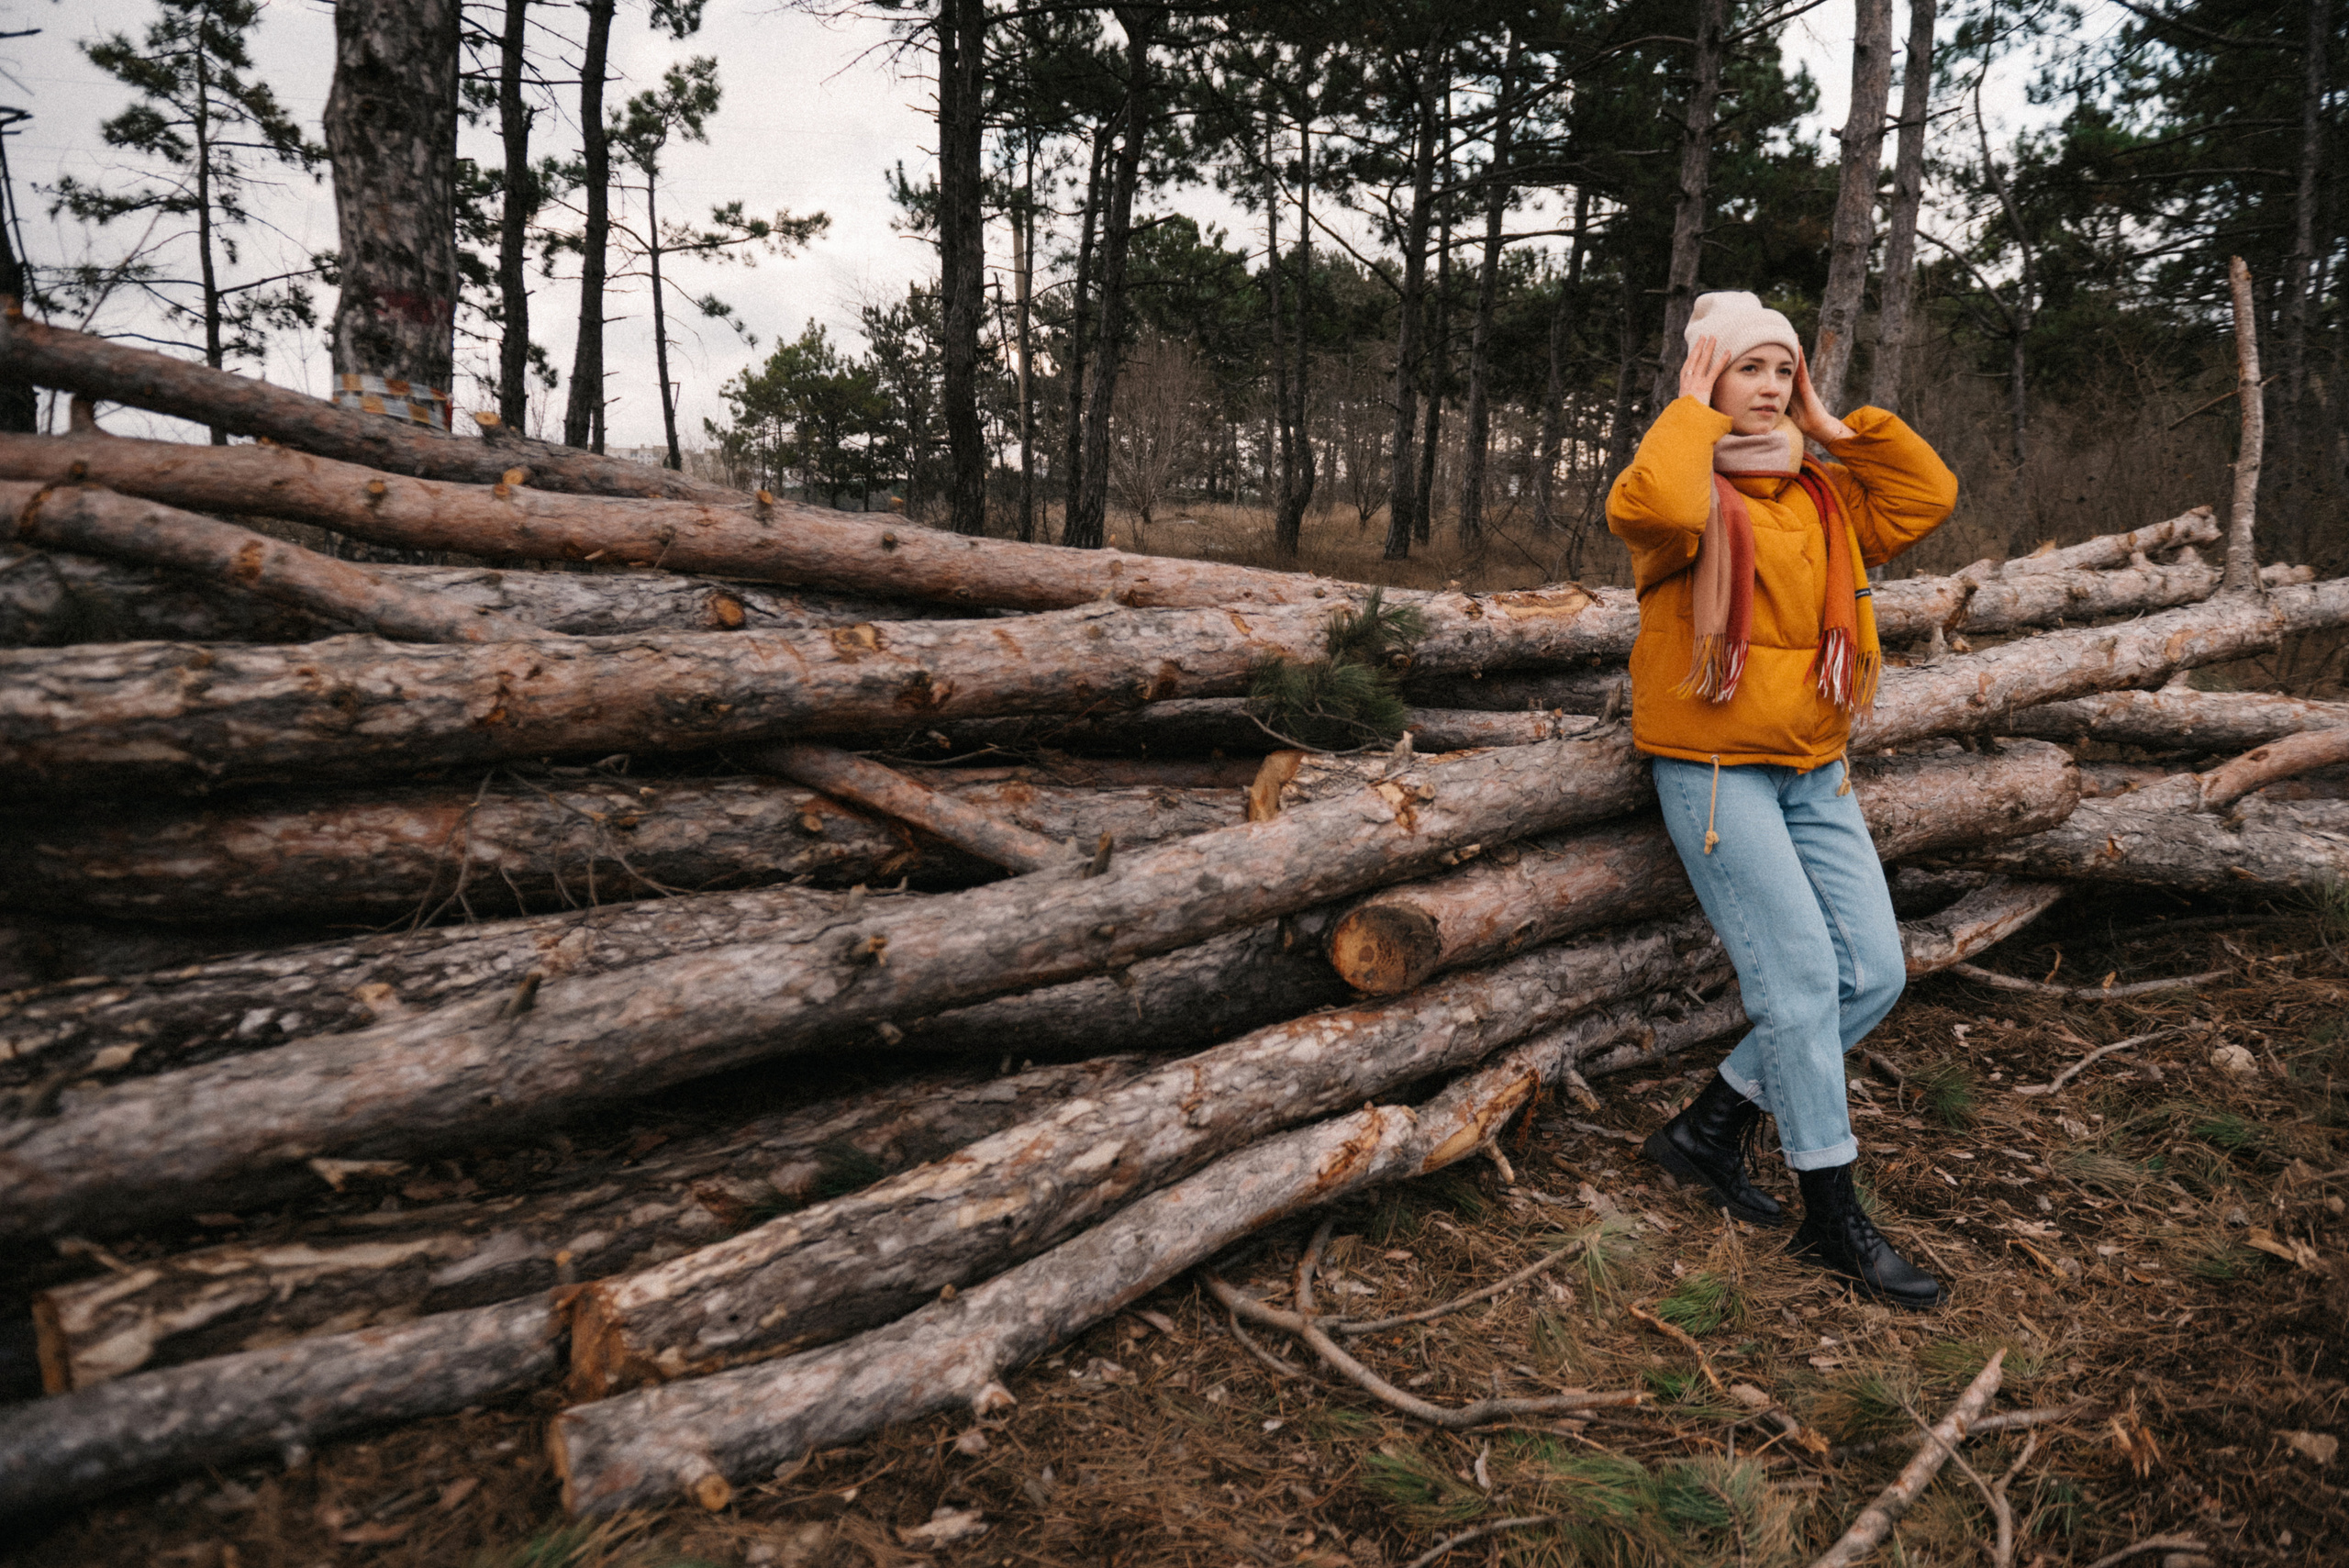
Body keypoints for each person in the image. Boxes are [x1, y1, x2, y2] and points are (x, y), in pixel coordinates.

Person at [1606, 290, 1958, 1309]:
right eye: (1746, 367)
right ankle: (1830, 1216)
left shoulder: (1819, 490)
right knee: (1801, 983)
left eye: (1781, 370)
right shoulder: (1676, 497)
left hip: (1811, 761)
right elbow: (1660, 507)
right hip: (1713, 768)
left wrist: (1843, 431)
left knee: (1875, 971)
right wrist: (1689, 413)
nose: (1766, 387)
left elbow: (1925, 496)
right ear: (1707, 375)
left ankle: (1707, 1128)